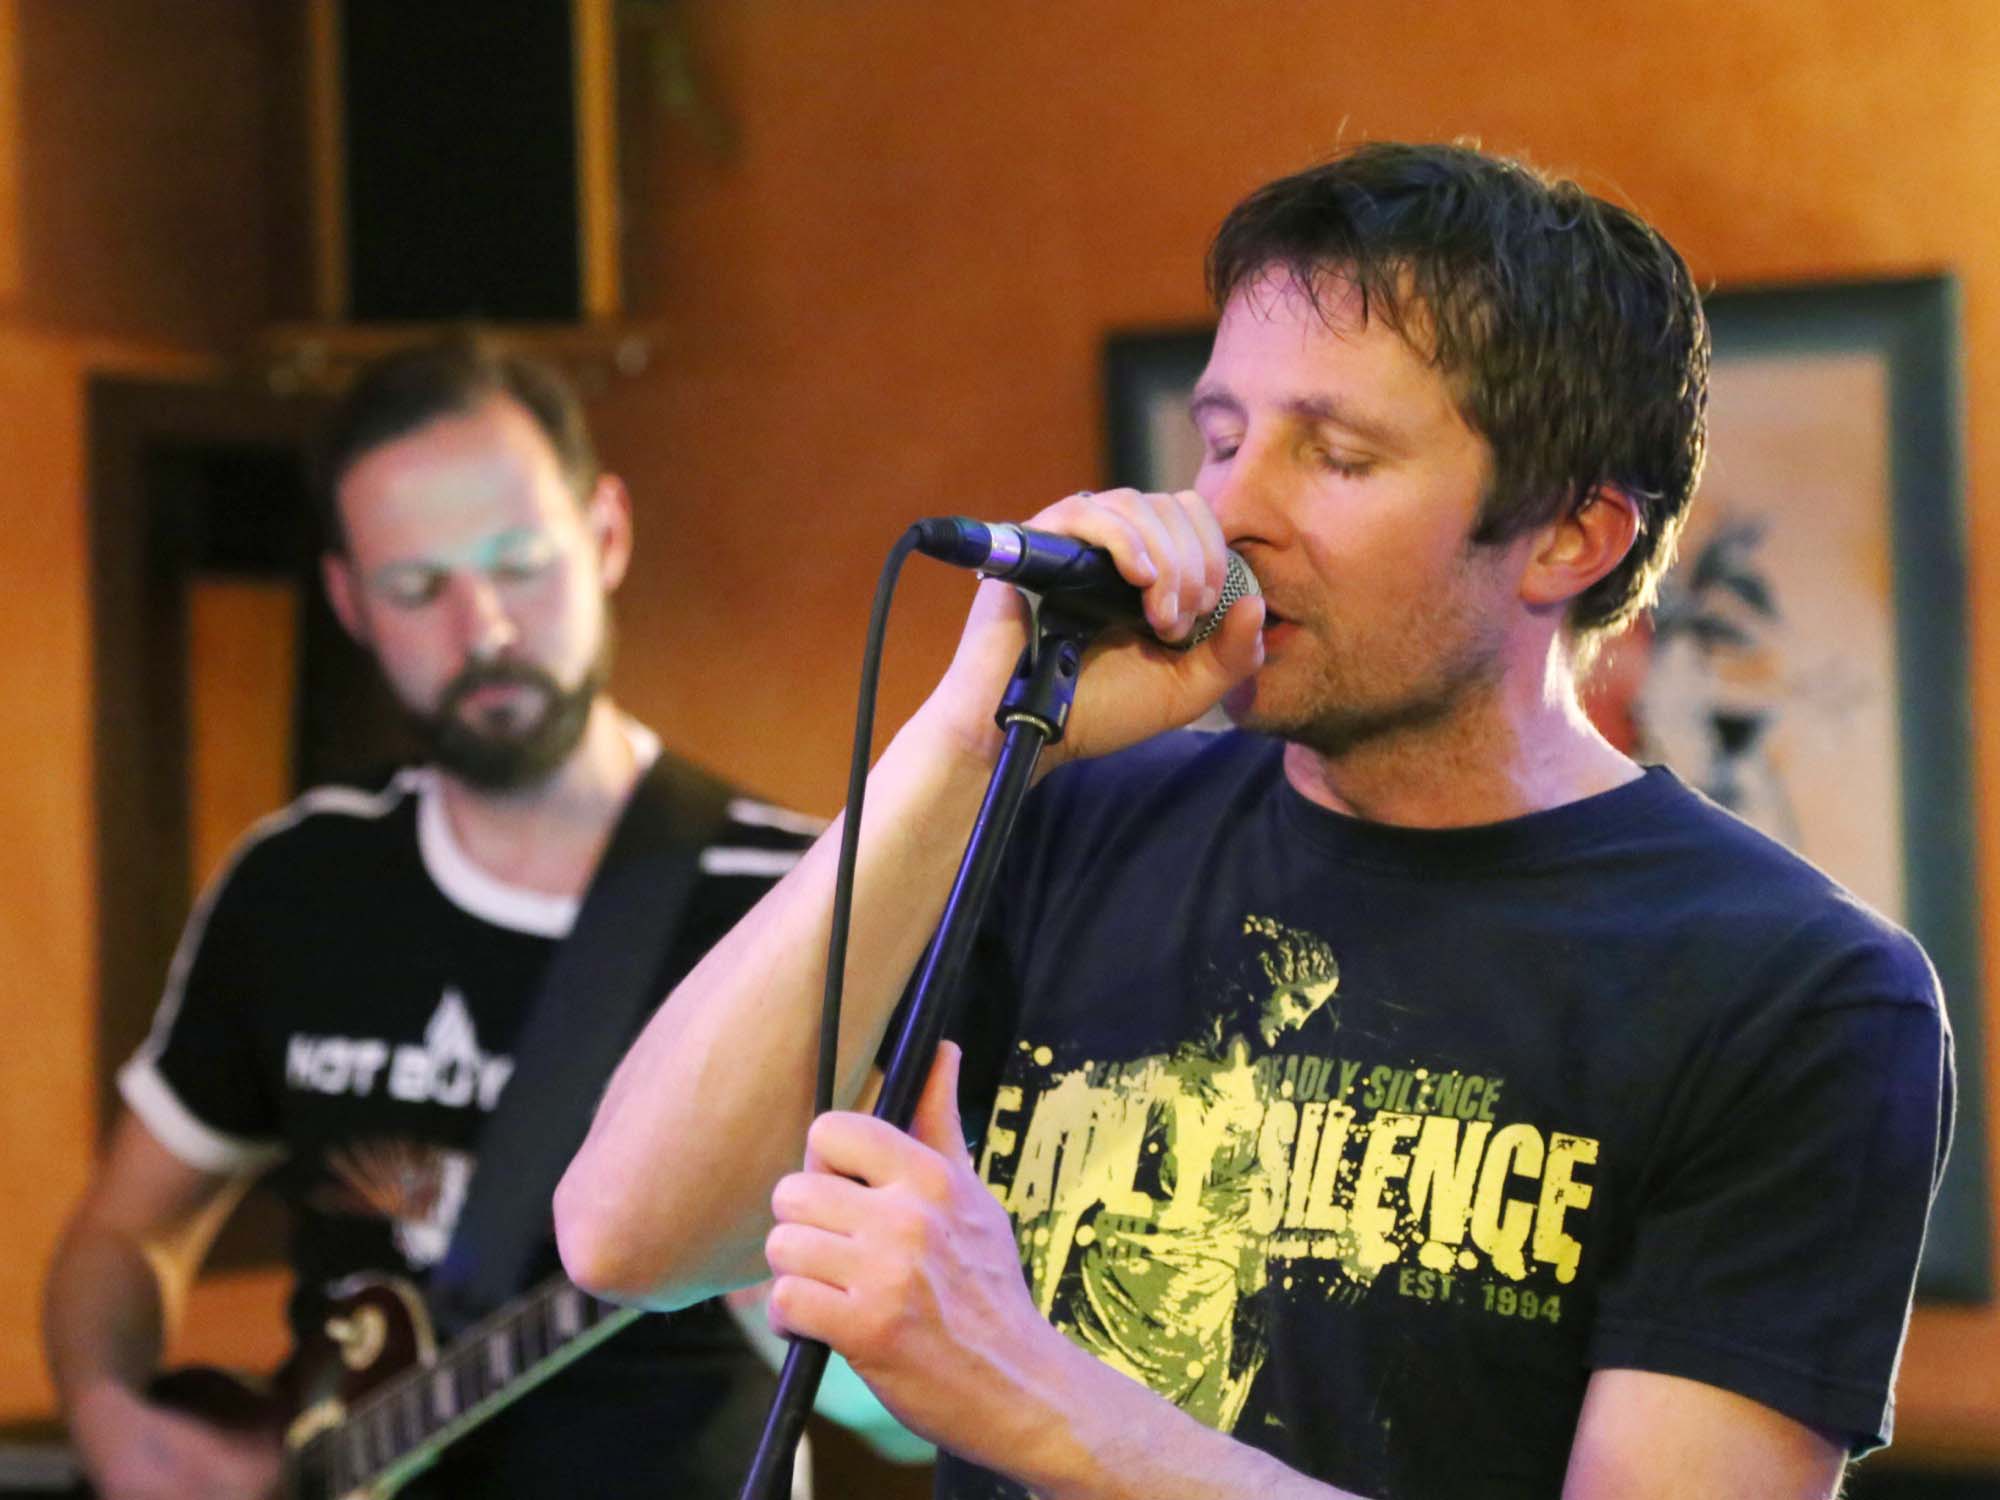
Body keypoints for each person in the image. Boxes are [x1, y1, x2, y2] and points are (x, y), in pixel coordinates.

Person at [553, 142, 1955, 1500]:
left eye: (1334, 456)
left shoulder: (1792, 988)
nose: (1229, 510)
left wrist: (1032, 1398)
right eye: (1220, 438)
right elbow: (629, 1235)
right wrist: (970, 739)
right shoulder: (1062, 823)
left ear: (1566, 537)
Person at [42, 337, 827, 1498]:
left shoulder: (794, 903)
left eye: (521, 564)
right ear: (349, 601)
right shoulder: (297, 884)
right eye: (418, 589)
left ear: (606, 536)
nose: (484, 628)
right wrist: (115, 1422)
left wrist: (808, 1310)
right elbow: (123, 1236)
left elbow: (906, 1417)